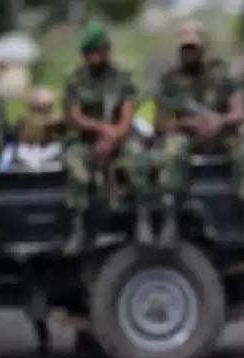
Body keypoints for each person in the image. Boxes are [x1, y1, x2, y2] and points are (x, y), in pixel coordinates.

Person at [152, 20, 244, 252]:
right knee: (171, 150)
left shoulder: (221, 74)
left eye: (194, 47)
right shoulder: (170, 80)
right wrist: (186, 124)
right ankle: (170, 220)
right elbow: (161, 124)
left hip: (220, 133)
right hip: (188, 135)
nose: (190, 53)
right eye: (185, 48)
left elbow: (238, 112)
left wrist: (218, 123)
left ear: (203, 47)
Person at [63, 22, 153, 255]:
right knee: (76, 164)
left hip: (119, 136)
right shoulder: (76, 80)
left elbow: (127, 116)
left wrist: (114, 137)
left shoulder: (121, 78)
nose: (98, 56)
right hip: (86, 138)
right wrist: (101, 129)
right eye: (93, 51)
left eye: (102, 50)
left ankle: (142, 219)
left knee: (138, 158)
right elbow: (76, 116)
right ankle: (79, 227)